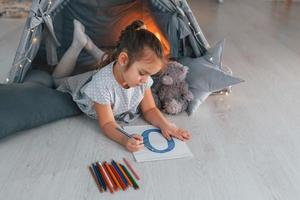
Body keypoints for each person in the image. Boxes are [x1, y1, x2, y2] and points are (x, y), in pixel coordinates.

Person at [53, 19, 191, 152]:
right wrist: (125, 139)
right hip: (86, 85)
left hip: (116, 70)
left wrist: (166, 125)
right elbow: (107, 123)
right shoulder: (102, 84)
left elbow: (149, 109)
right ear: (124, 59)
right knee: (56, 80)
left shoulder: (140, 78)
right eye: (143, 73)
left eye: (150, 75)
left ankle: (88, 44)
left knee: (110, 62)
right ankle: (78, 44)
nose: (146, 80)